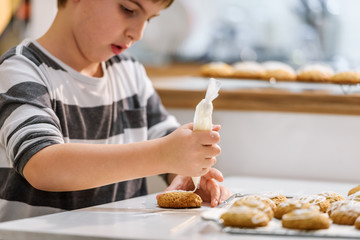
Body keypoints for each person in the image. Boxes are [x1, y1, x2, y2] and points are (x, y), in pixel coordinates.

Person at [0, 0, 231, 222]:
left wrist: (186, 173)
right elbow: (43, 167)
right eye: (128, 9)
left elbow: (165, 140)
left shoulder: (130, 73)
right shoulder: (19, 70)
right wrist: (163, 155)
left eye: (149, 19)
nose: (138, 34)